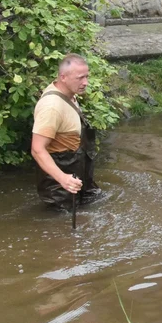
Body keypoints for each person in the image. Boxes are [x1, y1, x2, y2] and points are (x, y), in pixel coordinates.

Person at [31, 53, 100, 209]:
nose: (85, 83)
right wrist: (63, 179)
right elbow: (37, 149)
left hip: (77, 175)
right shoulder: (52, 107)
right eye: (80, 78)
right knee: (58, 226)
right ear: (63, 77)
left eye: (86, 77)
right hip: (59, 188)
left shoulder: (70, 94)